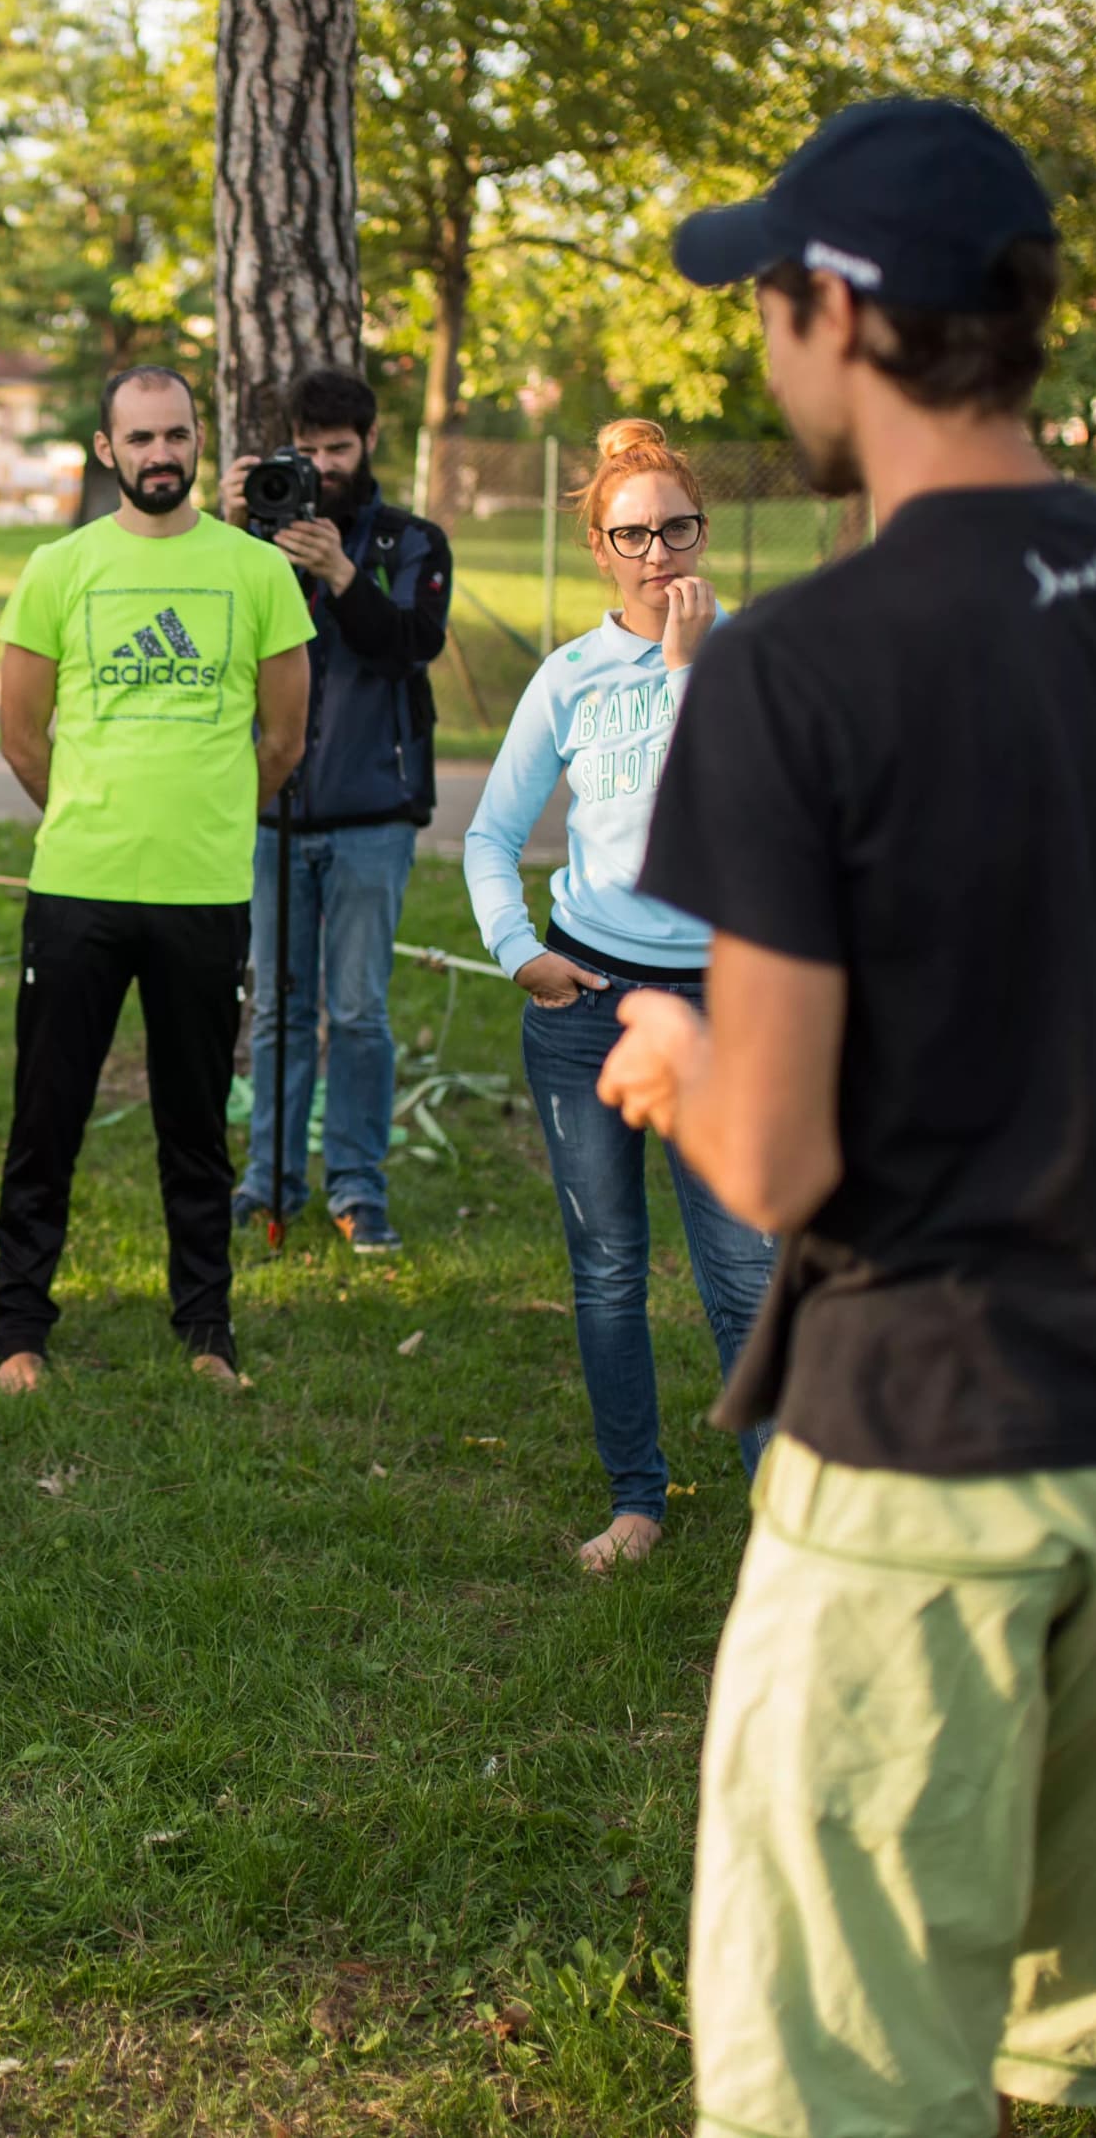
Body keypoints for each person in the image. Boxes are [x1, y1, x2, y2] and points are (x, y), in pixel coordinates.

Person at [593, 97, 1096, 2138]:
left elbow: (775, 1161)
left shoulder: (802, 662)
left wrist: (675, 1063)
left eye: (767, 300)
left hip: (928, 1450)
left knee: (844, 2078)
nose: (761, 348)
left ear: (843, 309)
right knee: (1056, 2052)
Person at [465, 417, 775, 1576]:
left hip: (718, 1004)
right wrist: (516, 949)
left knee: (745, 1272)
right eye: (632, 534)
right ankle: (636, 1497)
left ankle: (783, 1519)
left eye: (676, 528)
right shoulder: (569, 678)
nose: (659, 553)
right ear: (599, 546)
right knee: (606, 1269)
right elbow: (491, 836)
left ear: (705, 530)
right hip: (586, 996)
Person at [0, 366, 314, 1396]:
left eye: (176, 435)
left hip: (203, 892)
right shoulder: (59, 566)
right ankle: (18, 1331)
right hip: (79, 885)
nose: (161, 454)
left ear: (198, 442)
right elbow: (20, 735)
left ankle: (207, 1327)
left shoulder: (258, 573)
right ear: (106, 449)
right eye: (141, 438)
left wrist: (204, 817)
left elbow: (286, 738)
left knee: (194, 1121)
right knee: (47, 1116)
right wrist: (96, 813)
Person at [223, 364, 453, 1255]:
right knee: (279, 1008)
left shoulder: (409, 541)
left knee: (358, 1011)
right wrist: (233, 525)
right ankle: (268, 1180)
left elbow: (410, 647)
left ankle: (358, 1184)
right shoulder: (252, 542)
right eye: (307, 451)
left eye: (338, 449)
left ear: (368, 445)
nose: (322, 466)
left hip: (372, 814)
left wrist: (343, 572)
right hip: (274, 813)